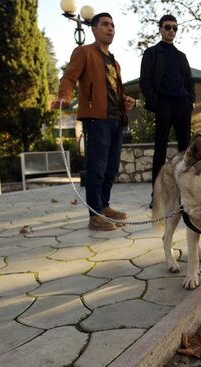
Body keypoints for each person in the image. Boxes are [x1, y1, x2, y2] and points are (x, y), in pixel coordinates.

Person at [54, 12, 136, 231]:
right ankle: (95, 215)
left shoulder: (115, 62)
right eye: (105, 24)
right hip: (96, 120)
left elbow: (113, 91)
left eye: (113, 25)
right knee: (97, 168)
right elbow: (69, 77)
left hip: (116, 120)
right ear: (93, 28)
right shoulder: (84, 52)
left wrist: (125, 100)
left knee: (111, 169)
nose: (110, 29)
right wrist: (64, 96)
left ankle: (105, 206)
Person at [139, 14, 196, 207]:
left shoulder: (181, 56)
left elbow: (189, 82)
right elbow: (145, 82)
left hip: (182, 106)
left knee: (186, 152)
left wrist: (190, 101)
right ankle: (157, 196)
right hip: (163, 105)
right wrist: (156, 104)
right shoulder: (152, 53)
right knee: (160, 151)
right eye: (167, 27)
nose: (171, 31)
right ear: (160, 29)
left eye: (174, 28)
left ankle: (185, 195)